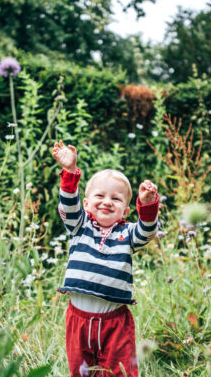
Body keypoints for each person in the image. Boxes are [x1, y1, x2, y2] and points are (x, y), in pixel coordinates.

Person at [52, 140, 159, 377]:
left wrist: (149, 205)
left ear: (127, 210)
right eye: (100, 195)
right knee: (81, 372)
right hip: (78, 319)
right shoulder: (80, 226)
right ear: (87, 203)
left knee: (120, 372)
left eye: (117, 199)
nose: (108, 202)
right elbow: (68, 204)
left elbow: (147, 231)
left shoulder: (128, 233)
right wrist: (70, 171)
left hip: (115, 322)